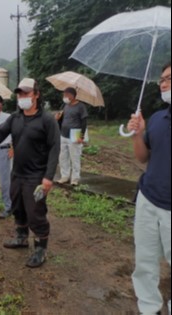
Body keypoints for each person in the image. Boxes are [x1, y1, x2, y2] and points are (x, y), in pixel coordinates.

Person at [0, 78, 61, 268]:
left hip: (36, 176)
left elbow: (54, 149)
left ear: (36, 94)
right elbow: (2, 131)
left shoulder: (47, 120)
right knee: (18, 206)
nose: (22, 97)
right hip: (17, 172)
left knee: (36, 212)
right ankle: (21, 237)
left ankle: (41, 249)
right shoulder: (15, 118)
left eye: (26, 93)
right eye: (20, 93)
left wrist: (48, 177)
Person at [127, 63, 171, 315]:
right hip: (148, 199)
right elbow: (143, 158)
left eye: (169, 78)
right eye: (161, 80)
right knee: (144, 260)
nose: (163, 84)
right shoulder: (157, 118)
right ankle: (148, 308)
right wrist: (138, 133)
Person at [55, 87, 88, 186]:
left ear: (72, 95)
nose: (64, 97)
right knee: (62, 157)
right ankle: (64, 176)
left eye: (66, 95)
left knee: (75, 157)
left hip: (74, 136)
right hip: (63, 134)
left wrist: (81, 136)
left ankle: (75, 178)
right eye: (64, 95)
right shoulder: (65, 106)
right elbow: (62, 119)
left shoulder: (81, 106)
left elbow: (84, 121)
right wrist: (57, 118)